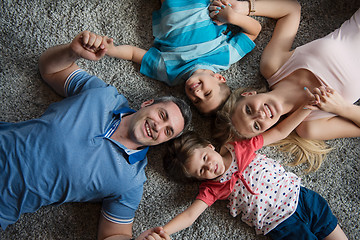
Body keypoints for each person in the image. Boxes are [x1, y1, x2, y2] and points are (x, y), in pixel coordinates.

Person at [0, 30, 192, 240]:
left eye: (168, 131)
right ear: (147, 103)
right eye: (162, 115)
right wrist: (71, 51)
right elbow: (50, 70)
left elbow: (113, 235)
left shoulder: (131, 181)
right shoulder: (102, 93)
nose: (158, 128)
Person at [139, 100, 348, 239]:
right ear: (198, 179)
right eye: (202, 171)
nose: (209, 167)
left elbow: (280, 132)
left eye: (205, 158)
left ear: (210, 146)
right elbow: (189, 216)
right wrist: (163, 231)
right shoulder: (212, 188)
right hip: (281, 225)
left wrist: (305, 109)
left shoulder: (239, 146)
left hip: (301, 197)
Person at [212, 1, 360, 169]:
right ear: (264, 131)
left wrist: (243, 8)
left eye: (248, 110)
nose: (259, 115)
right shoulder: (310, 126)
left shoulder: (273, 66)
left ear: (248, 94)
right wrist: (342, 108)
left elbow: (291, 10)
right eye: (256, 125)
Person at [103, 0, 262, 114]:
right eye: (207, 93)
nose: (197, 94)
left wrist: (112, 50)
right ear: (220, 78)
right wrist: (232, 17)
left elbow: (133, 54)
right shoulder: (224, 57)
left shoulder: (170, 73)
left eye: (196, 101)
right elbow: (254, 31)